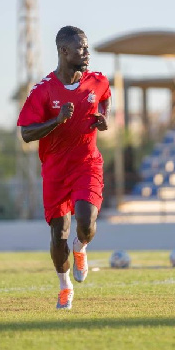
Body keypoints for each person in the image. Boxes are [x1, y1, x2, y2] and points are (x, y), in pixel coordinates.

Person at [17, 26, 111, 309]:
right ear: (63, 51)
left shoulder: (97, 81)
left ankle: (81, 248)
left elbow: (105, 97)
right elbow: (26, 133)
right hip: (56, 170)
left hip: (87, 163)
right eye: (81, 48)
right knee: (58, 235)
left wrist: (103, 117)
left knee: (86, 223)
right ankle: (65, 286)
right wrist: (56, 122)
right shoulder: (44, 90)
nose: (87, 52)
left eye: (87, 46)